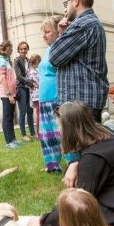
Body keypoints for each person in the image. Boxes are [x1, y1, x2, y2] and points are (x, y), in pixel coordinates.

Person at [49, 0, 109, 123]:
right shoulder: (93, 23)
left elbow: (54, 57)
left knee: (81, 144)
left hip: (80, 102)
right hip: (87, 100)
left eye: (67, 3)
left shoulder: (82, 25)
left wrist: (59, 34)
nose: (65, 8)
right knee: (91, 144)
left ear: (76, 1)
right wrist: (64, 33)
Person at [38, 15, 78, 173]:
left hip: (57, 98)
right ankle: (52, 165)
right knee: (47, 135)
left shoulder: (61, 47)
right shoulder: (48, 50)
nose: (44, 35)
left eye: (47, 31)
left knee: (63, 134)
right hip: (44, 100)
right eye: (43, 32)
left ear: (57, 32)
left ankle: (72, 164)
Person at [0, 40, 22, 149]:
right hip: (6, 94)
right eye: (10, 48)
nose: (12, 50)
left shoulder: (6, 60)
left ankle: (13, 140)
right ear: (5, 49)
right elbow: (2, 78)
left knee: (10, 117)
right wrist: (9, 94)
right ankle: (9, 142)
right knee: (7, 117)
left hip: (12, 93)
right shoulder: (0, 60)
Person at [13, 41, 36, 141]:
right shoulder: (17, 60)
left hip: (29, 88)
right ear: (18, 50)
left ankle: (33, 133)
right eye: (21, 49)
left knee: (30, 110)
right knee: (23, 111)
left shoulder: (29, 60)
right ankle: (23, 134)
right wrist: (31, 82)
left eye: (25, 48)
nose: (23, 50)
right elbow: (19, 76)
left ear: (27, 49)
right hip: (21, 87)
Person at [27, 54, 41, 138]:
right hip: (37, 95)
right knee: (39, 114)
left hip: (37, 94)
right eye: (38, 61)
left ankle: (40, 132)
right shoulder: (32, 72)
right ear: (35, 61)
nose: (39, 62)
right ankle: (39, 133)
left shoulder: (35, 70)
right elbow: (38, 83)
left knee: (39, 113)